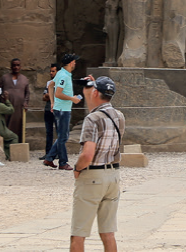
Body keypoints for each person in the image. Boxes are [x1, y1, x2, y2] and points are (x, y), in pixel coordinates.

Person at [70, 76, 125, 252]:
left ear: (95, 92)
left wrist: (77, 168)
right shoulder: (119, 116)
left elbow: (87, 154)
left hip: (93, 175)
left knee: (78, 233)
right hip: (112, 175)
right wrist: (90, 92)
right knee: (108, 233)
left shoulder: (92, 119)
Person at [45, 53, 82, 171]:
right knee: (63, 137)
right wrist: (72, 99)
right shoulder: (64, 76)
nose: (75, 63)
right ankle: (63, 162)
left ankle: (49, 158)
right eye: (74, 61)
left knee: (62, 136)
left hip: (61, 108)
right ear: (71, 63)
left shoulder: (61, 73)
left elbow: (51, 85)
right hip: (63, 110)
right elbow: (58, 93)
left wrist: (52, 102)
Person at [0, 58, 32, 141]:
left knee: (18, 125)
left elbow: (27, 93)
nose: (16, 67)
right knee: (6, 124)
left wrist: (25, 102)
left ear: (20, 67)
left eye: (18, 65)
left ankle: (18, 143)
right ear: (11, 67)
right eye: (14, 65)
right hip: (7, 106)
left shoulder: (24, 79)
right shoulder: (4, 78)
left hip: (19, 107)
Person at [0, 91, 18, 160]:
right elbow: (11, 110)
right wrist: (7, 100)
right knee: (14, 137)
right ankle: (10, 155)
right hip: (0, 129)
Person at [42, 63, 59, 158]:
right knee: (49, 132)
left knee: (59, 132)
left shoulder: (62, 83)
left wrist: (50, 94)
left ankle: (58, 152)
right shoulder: (49, 83)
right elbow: (44, 97)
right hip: (48, 109)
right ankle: (48, 152)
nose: (51, 73)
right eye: (50, 71)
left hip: (58, 109)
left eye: (53, 71)